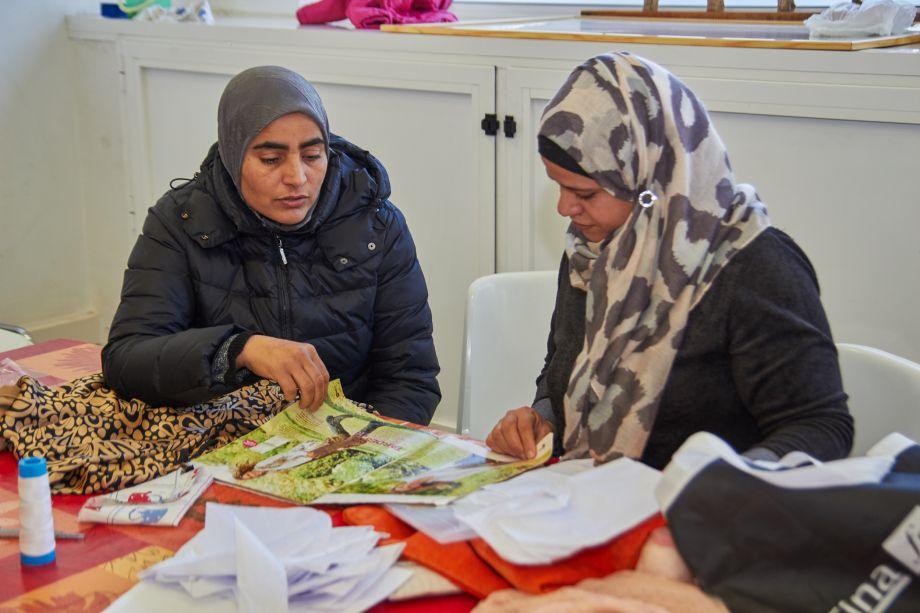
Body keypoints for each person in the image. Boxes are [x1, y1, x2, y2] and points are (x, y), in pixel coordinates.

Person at [486, 53, 853, 468]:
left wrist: (725, 480)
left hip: (707, 501)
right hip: (593, 490)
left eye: (585, 194)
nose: (564, 208)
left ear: (648, 181)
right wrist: (541, 419)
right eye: (558, 186)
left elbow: (821, 426)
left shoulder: (752, 267)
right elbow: (562, 371)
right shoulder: (593, 253)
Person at [102, 65, 440, 424]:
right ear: (234, 156)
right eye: (271, 160)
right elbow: (127, 359)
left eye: (313, 156)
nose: (297, 177)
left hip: (348, 438)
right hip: (220, 436)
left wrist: (364, 445)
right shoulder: (181, 222)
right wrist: (237, 349)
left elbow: (410, 379)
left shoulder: (375, 224)